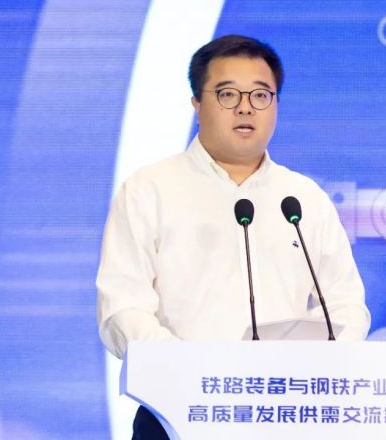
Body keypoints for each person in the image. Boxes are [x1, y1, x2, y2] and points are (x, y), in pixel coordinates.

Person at [96, 34, 371, 440]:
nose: (246, 107)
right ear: (196, 103)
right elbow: (123, 306)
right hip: (174, 413)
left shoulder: (303, 197)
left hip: (286, 413)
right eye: (227, 94)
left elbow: (345, 304)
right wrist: (197, 375)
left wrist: (312, 365)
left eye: (261, 95)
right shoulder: (149, 189)